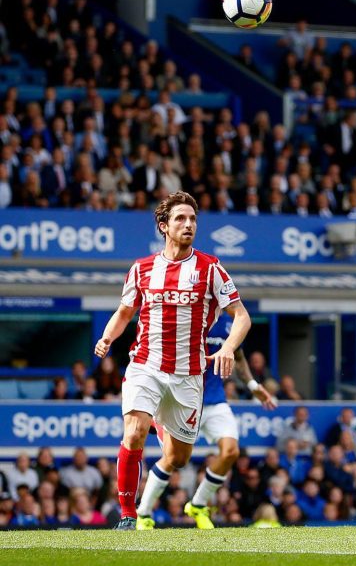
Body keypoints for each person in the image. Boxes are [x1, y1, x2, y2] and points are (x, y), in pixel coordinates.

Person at [94, 191, 251, 531]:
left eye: (193, 219)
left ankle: (162, 425)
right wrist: (107, 337)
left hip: (188, 377)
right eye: (180, 218)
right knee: (134, 431)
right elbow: (124, 312)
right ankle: (127, 514)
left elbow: (241, 317)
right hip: (145, 366)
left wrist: (226, 349)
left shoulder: (211, 269)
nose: (188, 224)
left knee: (178, 459)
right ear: (164, 227)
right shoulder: (142, 268)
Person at [135, 316, 278, 530]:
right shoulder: (184, 318)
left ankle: (198, 504)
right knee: (173, 459)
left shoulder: (229, 324)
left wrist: (251, 384)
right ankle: (143, 514)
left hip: (215, 400)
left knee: (231, 452)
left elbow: (238, 356)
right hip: (182, 401)